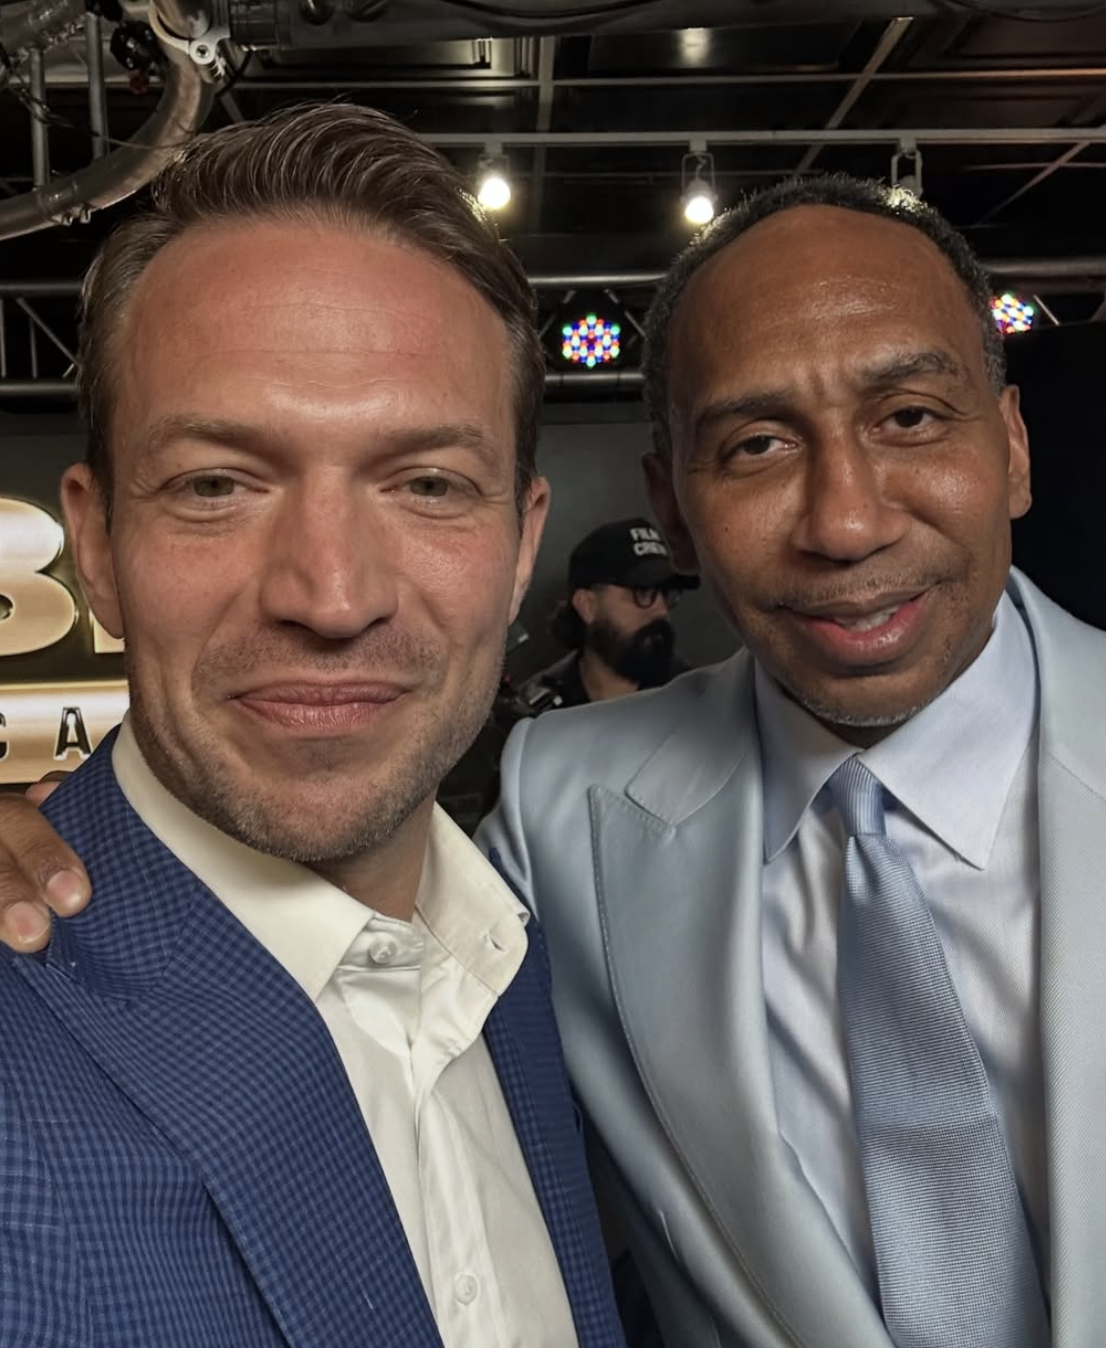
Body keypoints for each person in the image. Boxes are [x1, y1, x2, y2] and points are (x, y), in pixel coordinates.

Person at [4, 176, 1104, 1348]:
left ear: (1013, 446)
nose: (845, 521)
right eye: (217, 484)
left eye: (911, 418)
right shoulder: (558, 810)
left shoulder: (493, 908)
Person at [0, 104, 627, 1348]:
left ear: (520, 549)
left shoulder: (522, 958)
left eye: (428, 484)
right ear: (98, 545)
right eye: (216, 484)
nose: (331, 596)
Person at [509, 517, 696, 717]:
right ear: (587, 605)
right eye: (642, 592)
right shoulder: (537, 717)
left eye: (665, 592)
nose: (661, 611)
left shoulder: (696, 702)